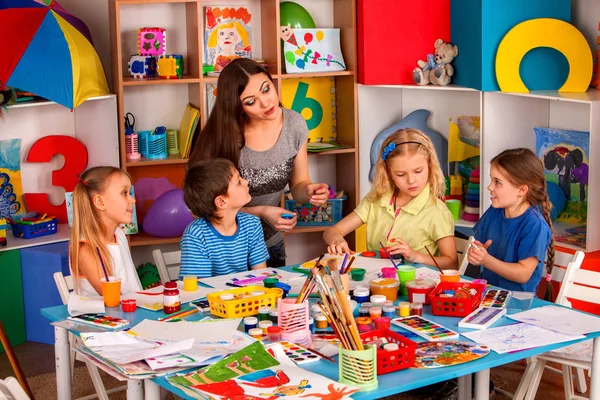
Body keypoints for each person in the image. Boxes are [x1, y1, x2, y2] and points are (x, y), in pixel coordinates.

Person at [188, 58, 328, 268]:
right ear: (238, 107)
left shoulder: (294, 125)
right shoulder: (222, 138)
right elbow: (200, 208)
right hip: (224, 250)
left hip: (270, 244)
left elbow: (298, 185)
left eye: (266, 89)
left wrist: (309, 190)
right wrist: (261, 212)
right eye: (251, 101)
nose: (266, 103)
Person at [324, 128, 458, 270]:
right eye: (400, 174)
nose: (411, 180)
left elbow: (452, 263)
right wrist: (336, 239)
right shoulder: (375, 200)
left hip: (417, 287)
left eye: (418, 171)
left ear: (430, 167)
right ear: (388, 173)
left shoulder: (436, 211)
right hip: (379, 282)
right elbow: (331, 231)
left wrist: (415, 256)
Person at [467, 148, 554, 298]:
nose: (490, 187)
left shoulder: (535, 225)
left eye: (497, 182)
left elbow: (523, 274)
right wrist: (476, 253)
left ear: (521, 190)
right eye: (491, 180)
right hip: (488, 296)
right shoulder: (494, 211)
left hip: (517, 304)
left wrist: (487, 260)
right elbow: (479, 245)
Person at [180, 158, 269, 278]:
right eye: (238, 182)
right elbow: (199, 287)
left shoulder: (252, 224)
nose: (246, 182)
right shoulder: (196, 234)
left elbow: (262, 276)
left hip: (243, 295)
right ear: (221, 202)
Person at [70, 166, 141, 296]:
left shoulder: (118, 235)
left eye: (129, 192)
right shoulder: (86, 248)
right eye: (124, 193)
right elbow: (114, 299)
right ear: (100, 202)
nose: (132, 199)